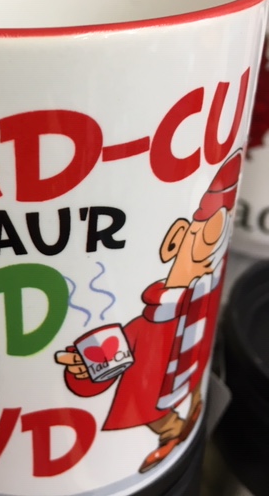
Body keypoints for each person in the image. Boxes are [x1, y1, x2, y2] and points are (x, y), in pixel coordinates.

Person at [56, 150, 242, 473]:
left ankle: (186, 416)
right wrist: (85, 367)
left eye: (218, 241)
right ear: (174, 240)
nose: (208, 261)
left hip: (188, 415)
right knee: (152, 407)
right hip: (121, 461)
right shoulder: (151, 321)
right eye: (207, 240)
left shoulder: (204, 300)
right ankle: (172, 429)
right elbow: (115, 353)